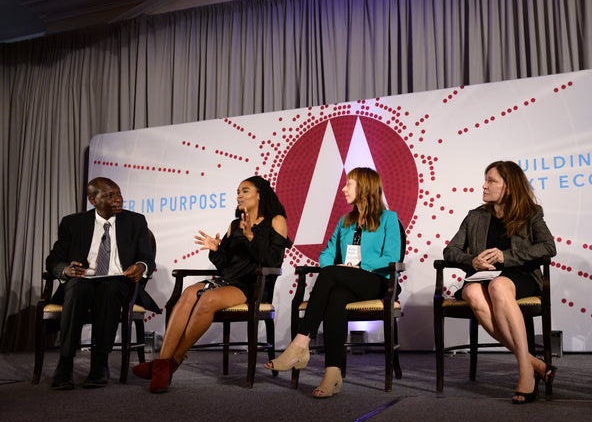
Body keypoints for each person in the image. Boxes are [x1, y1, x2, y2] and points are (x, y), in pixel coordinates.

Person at [132, 176, 291, 393]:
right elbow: (224, 264)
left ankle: (169, 365)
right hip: (227, 281)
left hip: (253, 285)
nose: (239, 195)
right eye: (237, 191)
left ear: (260, 194)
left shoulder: (276, 220)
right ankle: (163, 363)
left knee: (206, 299)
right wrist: (216, 250)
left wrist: (251, 237)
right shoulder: (235, 225)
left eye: (245, 191)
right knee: (188, 293)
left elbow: (274, 262)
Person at [265, 167, 401, 398]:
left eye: (349, 184)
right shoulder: (345, 221)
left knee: (330, 275)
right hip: (348, 281)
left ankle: (300, 343)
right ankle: (332, 374)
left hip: (378, 281)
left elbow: (392, 256)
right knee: (335, 296)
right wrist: (335, 267)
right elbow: (327, 253)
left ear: (365, 187)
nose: (343, 188)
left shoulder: (389, 218)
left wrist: (360, 266)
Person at [443, 161, 557, 404]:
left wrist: (507, 256)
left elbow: (548, 247)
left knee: (499, 286)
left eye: (491, 181)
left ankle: (526, 372)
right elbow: (450, 251)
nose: (484, 186)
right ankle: (533, 363)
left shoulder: (531, 213)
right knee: (472, 291)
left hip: (520, 276)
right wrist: (473, 261)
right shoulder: (476, 216)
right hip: (484, 277)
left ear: (509, 187)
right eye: (485, 180)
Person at [45, 177, 160, 389]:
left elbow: (147, 258)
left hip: (118, 280)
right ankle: (65, 364)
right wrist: (65, 270)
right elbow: (53, 259)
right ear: (93, 200)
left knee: (108, 290)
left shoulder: (135, 221)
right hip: (83, 278)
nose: (117, 200)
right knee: (76, 287)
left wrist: (141, 267)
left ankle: (99, 364)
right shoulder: (73, 223)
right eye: (109, 196)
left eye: (118, 194)